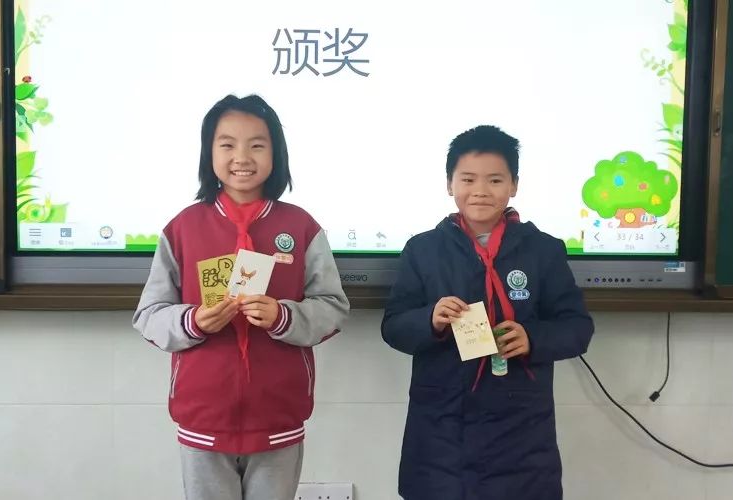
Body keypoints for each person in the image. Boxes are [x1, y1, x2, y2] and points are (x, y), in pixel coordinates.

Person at [133, 94, 349, 500]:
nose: (242, 157)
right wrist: (193, 321)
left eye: (257, 145)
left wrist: (283, 317)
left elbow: (333, 307)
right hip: (203, 417)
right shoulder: (183, 228)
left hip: (278, 415)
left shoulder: (301, 226)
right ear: (209, 152)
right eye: (227, 144)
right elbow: (149, 315)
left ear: (276, 153)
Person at [381, 125, 594, 499]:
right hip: (441, 428)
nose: (480, 190)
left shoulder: (543, 251)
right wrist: (430, 320)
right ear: (449, 184)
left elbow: (577, 328)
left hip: (520, 429)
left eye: (495, 180)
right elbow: (394, 326)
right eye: (468, 179)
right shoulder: (423, 250)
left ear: (514, 185)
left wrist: (532, 338)